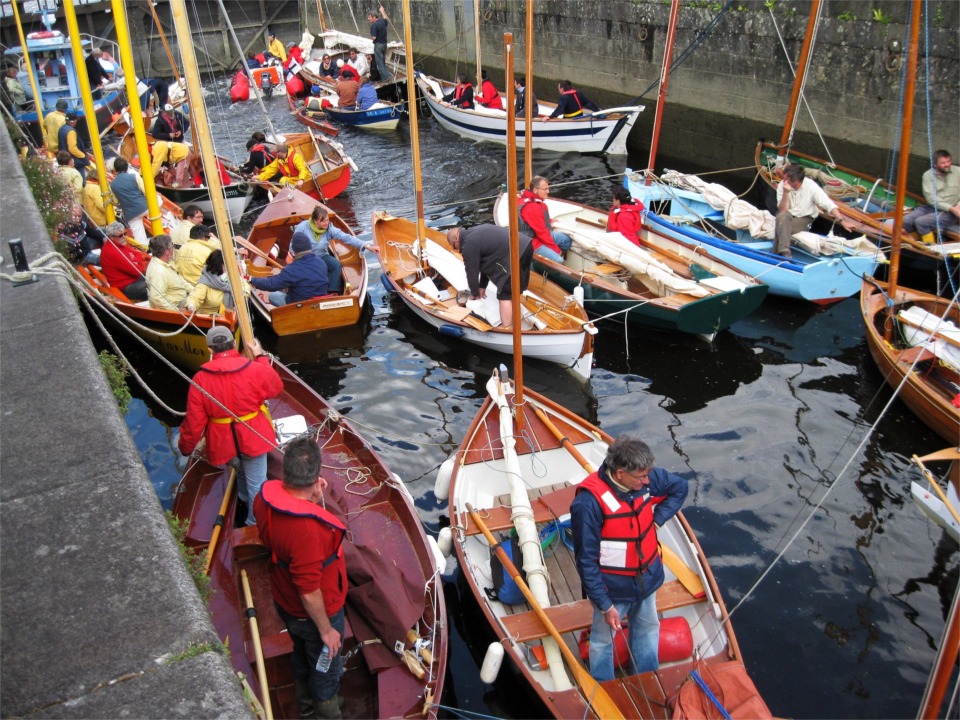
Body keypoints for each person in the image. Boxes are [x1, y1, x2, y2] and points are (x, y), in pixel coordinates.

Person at [570, 435, 688, 680]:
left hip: (647, 580)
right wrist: (605, 604)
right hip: (613, 590)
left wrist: (657, 519)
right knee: (602, 641)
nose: (647, 481)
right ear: (620, 473)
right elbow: (586, 561)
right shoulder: (588, 504)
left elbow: (679, 487)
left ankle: (646, 679)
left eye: (647, 475)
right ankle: (604, 686)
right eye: (641, 477)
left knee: (647, 630)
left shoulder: (645, 479)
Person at [254, 436, 348, 720]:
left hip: (284, 601)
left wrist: (314, 501)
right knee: (325, 662)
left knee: (300, 651)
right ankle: (324, 709)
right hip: (314, 612)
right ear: (316, 477)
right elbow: (308, 590)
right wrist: (326, 629)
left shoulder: (263, 499)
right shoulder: (307, 530)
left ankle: (305, 701)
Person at [178, 327, 283, 527]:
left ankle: (244, 499)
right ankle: (254, 522)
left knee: (241, 470)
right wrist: (260, 356)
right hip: (253, 435)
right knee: (257, 483)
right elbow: (275, 387)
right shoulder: (253, 368)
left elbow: (194, 422)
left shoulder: (200, 379)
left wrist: (185, 447)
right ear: (234, 344)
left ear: (210, 349)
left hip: (223, 442)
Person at [446, 224, 533, 328]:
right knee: (514, 289)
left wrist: (474, 293)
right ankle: (516, 321)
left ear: (456, 240)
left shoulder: (468, 245)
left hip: (515, 252)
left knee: (504, 294)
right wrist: (482, 286)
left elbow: (471, 272)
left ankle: (507, 330)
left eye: (456, 248)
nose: (458, 250)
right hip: (526, 246)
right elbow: (487, 263)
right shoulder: (474, 232)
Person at [293, 206, 379, 293]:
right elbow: (293, 246)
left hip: (322, 255)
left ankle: (333, 292)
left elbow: (346, 237)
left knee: (336, 265)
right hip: (305, 258)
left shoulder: (329, 229)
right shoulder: (302, 227)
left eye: (327, 220)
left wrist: (366, 245)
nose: (326, 223)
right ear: (315, 221)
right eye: (323, 221)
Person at [776, 163, 855, 258]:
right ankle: (784, 253)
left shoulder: (811, 186)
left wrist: (842, 221)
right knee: (782, 217)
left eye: (787, 180)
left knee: (781, 228)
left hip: (804, 218)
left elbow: (828, 204)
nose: (784, 182)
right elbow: (783, 210)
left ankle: (779, 254)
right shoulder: (782, 186)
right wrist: (786, 193)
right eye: (784, 179)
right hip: (786, 216)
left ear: (796, 181)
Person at [249, 232, 329, 307]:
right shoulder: (321, 261)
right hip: (319, 302)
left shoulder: (292, 269)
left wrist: (252, 280)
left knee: (273, 296)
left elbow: (271, 284)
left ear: (294, 249)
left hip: (300, 305)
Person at [902, 149, 960, 241]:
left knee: (921, 222)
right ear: (935, 164)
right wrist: (951, 208)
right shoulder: (927, 175)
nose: (947, 165)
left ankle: (930, 248)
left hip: (953, 211)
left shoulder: (958, 172)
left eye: (948, 161)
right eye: (943, 163)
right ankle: (918, 242)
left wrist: (957, 207)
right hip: (933, 207)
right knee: (906, 220)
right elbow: (931, 199)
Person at [518, 175, 572, 262]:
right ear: (535, 190)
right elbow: (542, 233)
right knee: (559, 260)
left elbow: (535, 220)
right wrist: (556, 250)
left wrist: (550, 221)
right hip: (531, 241)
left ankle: (550, 255)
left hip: (536, 235)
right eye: (545, 189)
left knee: (565, 240)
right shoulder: (532, 207)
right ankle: (544, 266)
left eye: (548, 188)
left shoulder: (529, 199)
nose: (548, 191)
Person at [99, 221, 150, 301]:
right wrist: (135, 260)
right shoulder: (113, 252)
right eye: (120, 235)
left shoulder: (119, 244)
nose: (124, 237)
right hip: (126, 287)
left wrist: (135, 260)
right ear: (111, 237)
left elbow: (137, 254)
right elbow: (137, 271)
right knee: (155, 287)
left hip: (133, 279)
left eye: (125, 234)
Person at [110, 156, 150, 249]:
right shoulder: (134, 176)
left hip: (130, 214)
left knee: (140, 238)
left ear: (115, 169)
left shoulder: (112, 185)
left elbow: (116, 202)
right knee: (158, 200)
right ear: (127, 167)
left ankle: (145, 250)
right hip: (145, 208)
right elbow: (146, 191)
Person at [145, 233, 193, 310]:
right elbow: (157, 298)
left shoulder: (168, 262)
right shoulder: (158, 272)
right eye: (172, 245)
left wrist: (196, 292)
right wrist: (177, 310)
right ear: (166, 251)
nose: (173, 248)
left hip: (182, 299)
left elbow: (183, 282)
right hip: (176, 306)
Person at [185, 251, 238, 315]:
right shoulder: (205, 282)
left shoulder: (231, 279)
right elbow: (195, 297)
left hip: (226, 318)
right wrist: (191, 306)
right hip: (209, 320)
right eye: (228, 265)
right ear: (222, 266)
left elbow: (244, 287)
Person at [150, 104, 191, 180]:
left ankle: (184, 174)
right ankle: (176, 177)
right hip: (169, 146)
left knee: (186, 156)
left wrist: (181, 131)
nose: (171, 114)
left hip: (179, 142)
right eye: (169, 113)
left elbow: (186, 123)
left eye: (172, 112)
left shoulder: (176, 114)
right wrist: (168, 135)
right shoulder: (160, 121)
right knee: (174, 161)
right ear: (165, 113)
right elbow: (155, 134)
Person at [57, 112, 92, 181]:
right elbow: (72, 148)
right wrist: (83, 156)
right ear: (74, 121)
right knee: (81, 180)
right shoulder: (71, 132)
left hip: (64, 159)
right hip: (74, 161)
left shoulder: (61, 129)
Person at [368, 6, 393, 82]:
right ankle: (387, 75)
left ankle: (386, 78)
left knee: (380, 63)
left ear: (374, 17)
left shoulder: (374, 25)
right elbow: (386, 18)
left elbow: (374, 37)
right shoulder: (382, 21)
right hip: (384, 45)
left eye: (369, 17)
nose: (368, 19)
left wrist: (372, 37)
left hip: (378, 45)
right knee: (383, 61)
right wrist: (382, 11)